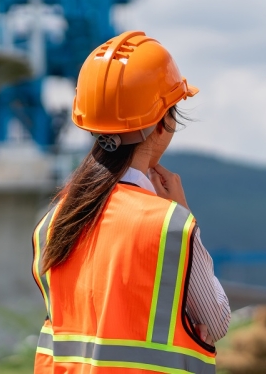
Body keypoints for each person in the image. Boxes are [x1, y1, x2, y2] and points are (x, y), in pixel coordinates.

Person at [31, 31, 230, 373]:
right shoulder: (170, 226)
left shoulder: (52, 222)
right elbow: (216, 323)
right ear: (163, 123)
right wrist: (181, 213)